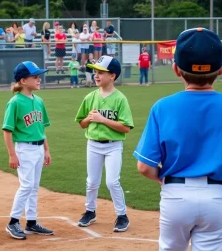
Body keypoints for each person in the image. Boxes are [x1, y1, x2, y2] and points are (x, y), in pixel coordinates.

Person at [134, 27, 222, 250]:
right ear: (220, 70)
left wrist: (164, 180)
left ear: (176, 69)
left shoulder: (163, 107)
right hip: (218, 198)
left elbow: (145, 167)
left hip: (177, 196)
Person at [75, 55, 134, 232]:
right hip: (93, 144)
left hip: (113, 145)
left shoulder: (120, 99)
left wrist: (101, 119)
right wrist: (89, 118)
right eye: (95, 72)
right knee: (92, 182)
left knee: (112, 182)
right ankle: (90, 211)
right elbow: (81, 123)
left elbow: (125, 128)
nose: (96, 75)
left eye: (101, 72)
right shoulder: (90, 97)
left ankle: (122, 215)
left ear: (113, 76)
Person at [2, 61, 53, 240]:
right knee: (26, 186)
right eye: (35, 77)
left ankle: (31, 222)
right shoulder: (15, 102)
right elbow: (7, 130)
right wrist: (12, 154)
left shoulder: (38, 101)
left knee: (34, 187)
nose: (39, 79)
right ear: (23, 81)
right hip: (23, 149)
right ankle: (13, 222)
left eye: (39, 76)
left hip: (38, 148)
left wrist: (46, 150)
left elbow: (41, 129)